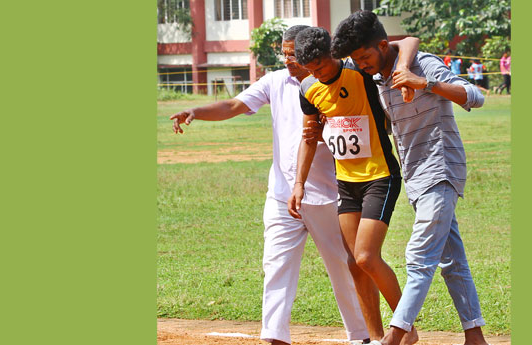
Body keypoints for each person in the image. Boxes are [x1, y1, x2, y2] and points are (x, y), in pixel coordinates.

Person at [169, 25, 370, 345]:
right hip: (282, 193)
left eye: (294, 53)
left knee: (342, 265)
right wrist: (196, 111)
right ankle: (274, 336)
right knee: (275, 264)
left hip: (328, 194)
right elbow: (234, 105)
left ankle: (360, 335)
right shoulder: (275, 81)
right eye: (285, 53)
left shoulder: (334, 82)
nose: (288, 59)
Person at [331, 10, 490, 345]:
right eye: (356, 60)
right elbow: (403, 46)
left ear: (383, 45)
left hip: (441, 168)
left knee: (418, 258)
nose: (361, 64)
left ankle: (396, 336)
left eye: (365, 56)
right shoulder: (377, 77)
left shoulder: (423, 65)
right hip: (415, 175)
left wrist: (425, 83)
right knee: (451, 260)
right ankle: (475, 336)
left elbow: (476, 96)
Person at [288, 27, 419, 345]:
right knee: (354, 261)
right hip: (346, 182)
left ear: (333, 53)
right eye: (310, 70)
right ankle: (374, 337)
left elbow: (406, 40)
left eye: (321, 66)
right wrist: (298, 184)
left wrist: (401, 67)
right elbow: (309, 138)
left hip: (379, 175)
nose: (317, 74)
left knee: (365, 256)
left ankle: (405, 328)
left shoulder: (358, 70)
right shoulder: (308, 88)